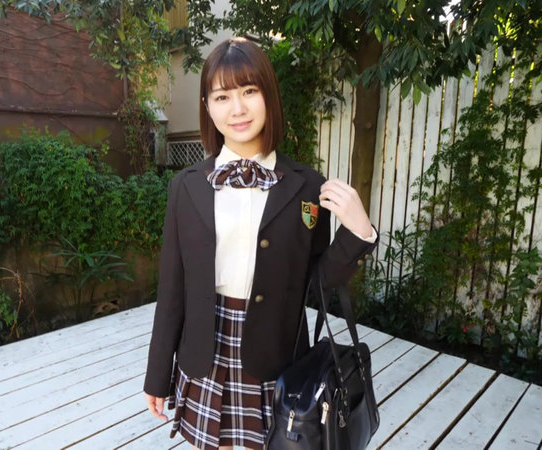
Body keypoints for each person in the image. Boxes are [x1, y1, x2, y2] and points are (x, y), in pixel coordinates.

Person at [143, 37, 379, 450]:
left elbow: (317, 284)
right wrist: (157, 375)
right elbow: (172, 288)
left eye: (249, 91)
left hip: (275, 350)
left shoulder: (307, 186)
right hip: (204, 349)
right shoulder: (186, 186)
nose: (237, 108)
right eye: (222, 96)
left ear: (269, 96)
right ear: (207, 106)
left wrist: (358, 232)